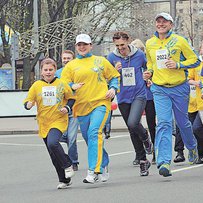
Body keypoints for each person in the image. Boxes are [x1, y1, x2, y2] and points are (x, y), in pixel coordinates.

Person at [143, 12, 201, 177]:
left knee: (183, 123)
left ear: (171, 25)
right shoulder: (150, 43)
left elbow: (195, 60)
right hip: (160, 88)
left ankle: (191, 147)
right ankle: (164, 162)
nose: (161, 24)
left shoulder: (180, 40)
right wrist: (149, 72)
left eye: (164, 22)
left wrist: (178, 64)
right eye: (158, 21)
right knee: (164, 123)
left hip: (179, 88)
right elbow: (150, 63)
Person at [61, 34, 120, 184]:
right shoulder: (71, 66)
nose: (82, 47)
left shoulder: (101, 61)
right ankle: (104, 162)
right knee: (90, 139)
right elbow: (62, 85)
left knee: (95, 132)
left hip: (100, 103)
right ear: (76, 47)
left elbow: (114, 76)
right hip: (81, 108)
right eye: (79, 45)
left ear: (91, 45)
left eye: (85, 44)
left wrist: (113, 88)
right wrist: (71, 86)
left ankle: (94, 170)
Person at [24, 58, 75, 189]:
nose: (48, 72)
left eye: (50, 70)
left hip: (58, 120)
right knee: (53, 154)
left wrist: (67, 108)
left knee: (53, 143)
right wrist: (28, 105)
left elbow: (71, 98)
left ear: (55, 70)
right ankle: (64, 180)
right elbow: (28, 100)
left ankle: (68, 164)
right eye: (45, 70)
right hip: (44, 122)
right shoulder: (36, 85)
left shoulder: (61, 83)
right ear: (41, 72)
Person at [107, 31, 153, 176]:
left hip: (139, 94)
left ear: (128, 41)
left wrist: (148, 75)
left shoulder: (139, 54)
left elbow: (149, 67)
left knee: (133, 123)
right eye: (117, 45)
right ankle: (142, 161)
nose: (120, 48)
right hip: (123, 97)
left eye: (122, 44)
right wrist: (114, 71)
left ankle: (146, 138)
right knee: (132, 129)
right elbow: (106, 77)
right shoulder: (111, 57)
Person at [131, 39, 156, 165]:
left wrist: (150, 79)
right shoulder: (129, 63)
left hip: (149, 96)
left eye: (139, 50)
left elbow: (154, 73)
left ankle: (156, 153)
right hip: (134, 96)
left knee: (152, 125)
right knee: (133, 125)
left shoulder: (147, 63)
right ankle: (139, 153)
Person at [55, 50, 79, 171]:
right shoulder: (58, 73)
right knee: (57, 137)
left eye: (68, 58)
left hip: (74, 108)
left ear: (73, 59)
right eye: (64, 58)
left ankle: (73, 161)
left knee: (72, 137)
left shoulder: (77, 71)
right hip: (61, 110)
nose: (66, 60)